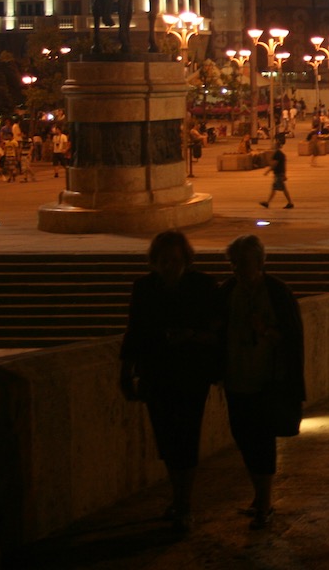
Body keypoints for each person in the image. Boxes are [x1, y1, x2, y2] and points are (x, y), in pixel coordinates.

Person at [119, 230, 220, 533]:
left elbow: (217, 330)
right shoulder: (144, 288)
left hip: (191, 374)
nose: (169, 266)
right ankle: (179, 498)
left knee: (186, 437)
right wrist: (126, 372)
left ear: (186, 260)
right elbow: (134, 331)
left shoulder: (202, 286)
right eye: (163, 261)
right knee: (166, 438)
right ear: (154, 262)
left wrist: (190, 335)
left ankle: (184, 503)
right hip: (156, 373)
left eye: (174, 261)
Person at [218, 234, 305, 530]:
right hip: (236, 379)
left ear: (259, 263)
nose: (237, 270)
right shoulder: (229, 292)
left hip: (267, 380)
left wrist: (265, 329)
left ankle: (265, 503)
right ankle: (259, 496)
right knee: (243, 438)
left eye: (243, 264)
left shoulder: (277, 293)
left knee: (262, 440)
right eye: (234, 264)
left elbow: (291, 338)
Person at [259, 137, 293, 209]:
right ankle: (268, 203)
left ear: (276, 146)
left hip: (278, 174)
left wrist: (267, 171)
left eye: (274, 145)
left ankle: (290, 203)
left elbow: (275, 164)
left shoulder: (277, 154)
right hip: (280, 173)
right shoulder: (281, 154)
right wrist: (284, 174)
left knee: (281, 189)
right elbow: (284, 165)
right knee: (277, 189)